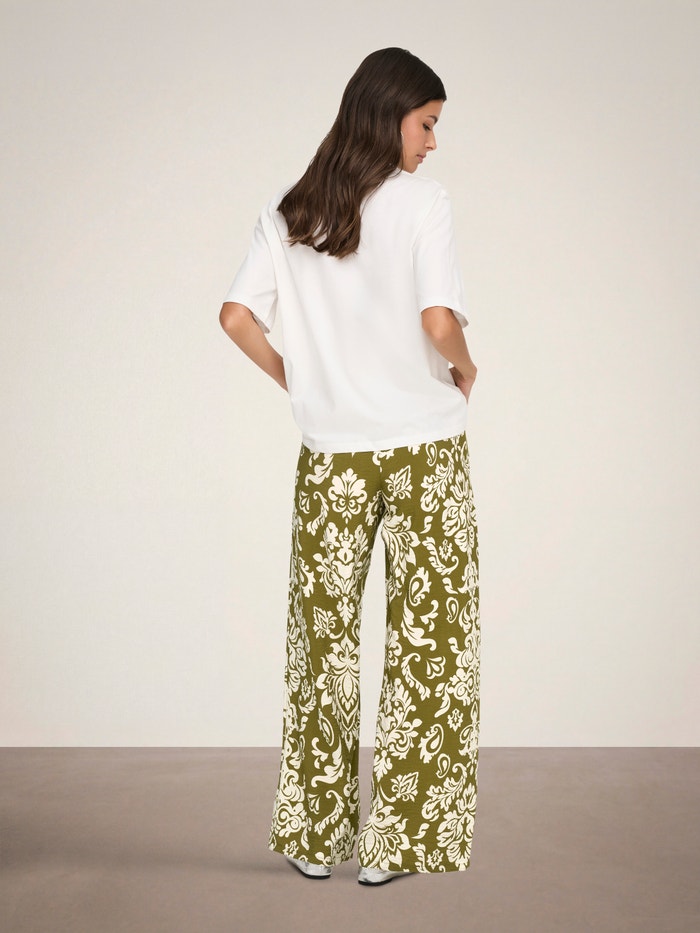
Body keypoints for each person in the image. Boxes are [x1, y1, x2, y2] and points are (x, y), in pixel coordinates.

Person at [219, 47, 480, 887]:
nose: (432, 142)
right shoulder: (424, 203)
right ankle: (396, 843)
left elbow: (234, 316)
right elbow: (438, 320)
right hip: (424, 450)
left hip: (331, 457)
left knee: (320, 641)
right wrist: (467, 366)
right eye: (426, 124)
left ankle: (313, 832)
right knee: (431, 640)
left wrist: (303, 382)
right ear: (388, 113)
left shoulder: (290, 210)